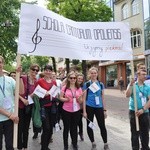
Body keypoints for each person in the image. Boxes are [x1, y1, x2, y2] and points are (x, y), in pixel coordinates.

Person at [0, 55, 24, 150]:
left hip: (10, 120)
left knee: (10, 146)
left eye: (0, 62)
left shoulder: (9, 79)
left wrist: (19, 76)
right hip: (9, 116)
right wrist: (10, 115)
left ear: (3, 64)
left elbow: (21, 91)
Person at [83, 67, 110, 150]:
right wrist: (84, 111)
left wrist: (105, 110)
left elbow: (103, 97)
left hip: (99, 107)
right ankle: (93, 142)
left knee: (102, 125)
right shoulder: (87, 84)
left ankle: (105, 143)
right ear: (89, 74)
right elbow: (84, 99)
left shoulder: (100, 84)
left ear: (97, 74)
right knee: (90, 125)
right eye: (92, 73)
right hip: (89, 106)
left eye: (95, 73)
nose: (93, 74)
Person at [126, 69, 150, 150]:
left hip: (144, 112)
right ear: (138, 75)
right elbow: (127, 95)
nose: (145, 76)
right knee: (134, 133)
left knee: (145, 133)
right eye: (143, 74)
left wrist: (143, 110)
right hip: (134, 112)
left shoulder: (147, 87)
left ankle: (145, 148)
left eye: (145, 74)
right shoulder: (133, 85)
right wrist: (131, 84)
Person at [18, 64, 40, 150]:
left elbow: (36, 93)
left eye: (36, 70)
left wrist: (34, 94)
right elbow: (15, 92)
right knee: (20, 128)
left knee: (26, 128)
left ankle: (25, 146)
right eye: (33, 69)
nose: (34, 72)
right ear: (29, 69)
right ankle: (19, 146)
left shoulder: (36, 81)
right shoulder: (23, 78)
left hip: (29, 107)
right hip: (21, 106)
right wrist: (23, 100)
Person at [35, 64, 57, 150]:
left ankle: (46, 146)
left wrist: (56, 96)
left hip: (53, 107)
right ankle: (43, 147)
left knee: (51, 129)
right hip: (43, 107)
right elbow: (37, 94)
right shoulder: (39, 81)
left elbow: (55, 94)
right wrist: (47, 93)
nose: (48, 72)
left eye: (49, 70)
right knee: (46, 128)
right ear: (44, 71)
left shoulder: (54, 82)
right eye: (46, 70)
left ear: (51, 72)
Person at [60, 72, 83, 150]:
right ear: (68, 79)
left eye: (74, 78)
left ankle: (74, 144)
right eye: (71, 78)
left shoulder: (79, 88)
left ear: (76, 79)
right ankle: (65, 145)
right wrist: (66, 99)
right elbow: (60, 97)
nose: (73, 79)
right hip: (66, 110)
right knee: (66, 128)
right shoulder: (64, 87)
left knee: (74, 128)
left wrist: (79, 99)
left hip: (76, 111)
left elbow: (81, 101)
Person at [76, 73, 84, 141]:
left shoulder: (83, 87)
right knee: (74, 122)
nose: (80, 80)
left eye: (81, 79)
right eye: (79, 78)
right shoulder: (72, 85)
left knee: (79, 121)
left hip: (80, 106)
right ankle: (74, 135)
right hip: (73, 107)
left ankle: (81, 133)